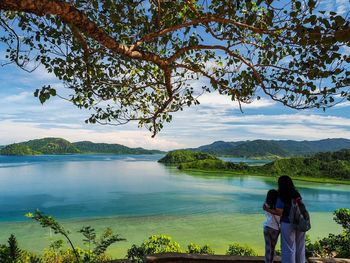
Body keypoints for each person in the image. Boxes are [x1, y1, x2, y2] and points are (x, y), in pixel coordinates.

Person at [264, 175, 306, 263]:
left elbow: (279, 212)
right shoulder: (296, 194)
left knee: (289, 248)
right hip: (301, 221)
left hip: (288, 223)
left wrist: (267, 209)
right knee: (300, 247)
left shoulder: (281, 196)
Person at [263, 189, 280, 263]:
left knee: (267, 247)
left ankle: (267, 261)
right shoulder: (278, 206)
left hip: (266, 226)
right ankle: (271, 261)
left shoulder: (265, 204)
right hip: (275, 228)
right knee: (272, 248)